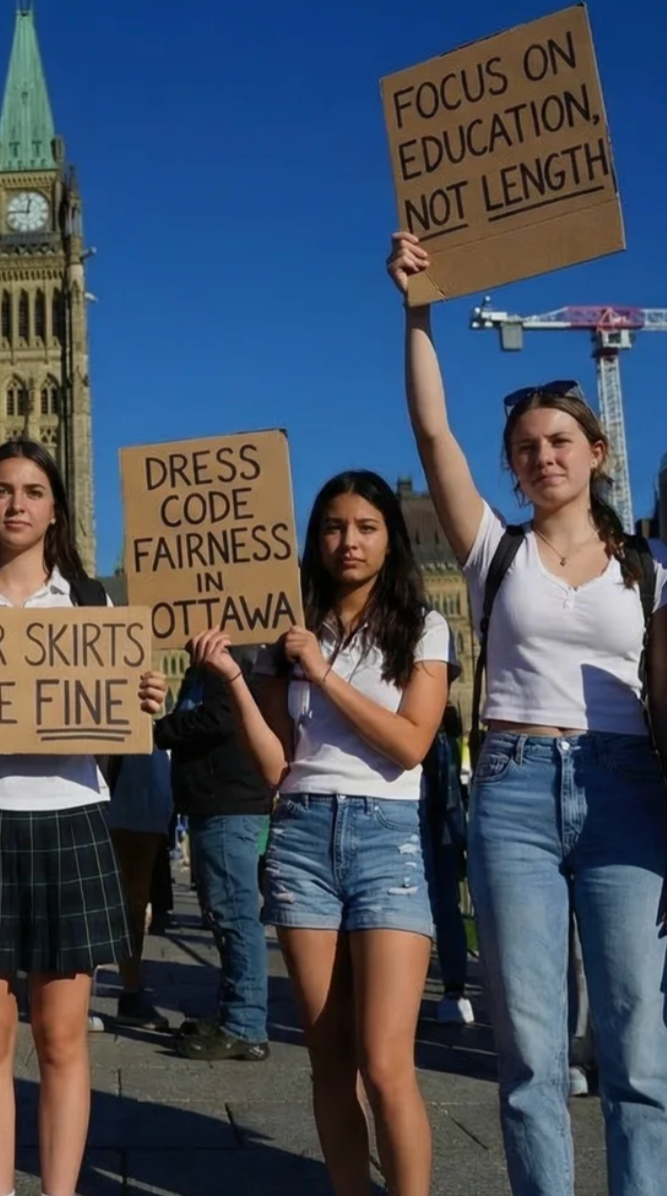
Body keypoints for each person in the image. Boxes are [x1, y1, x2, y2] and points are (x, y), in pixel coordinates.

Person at [391, 230, 667, 1196]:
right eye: (526, 449)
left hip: (629, 793)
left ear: (597, 452)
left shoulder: (657, 570)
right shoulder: (495, 554)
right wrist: (417, 309)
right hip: (516, 792)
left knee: (636, 1043)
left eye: (560, 441)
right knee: (529, 1047)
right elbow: (433, 435)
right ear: (513, 470)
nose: (543, 457)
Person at [0, 438, 166, 1196]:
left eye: (33, 490)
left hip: (69, 817)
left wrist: (142, 700)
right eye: (2, 490)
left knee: (58, 1036)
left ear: (56, 508)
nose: (17, 504)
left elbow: (120, 721)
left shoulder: (92, 606)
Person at [215, 468, 452, 1196]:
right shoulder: (289, 633)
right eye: (333, 527)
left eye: (365, 527)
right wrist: (235, 679)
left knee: (385, 1064)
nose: (348, 541)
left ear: (390, 539)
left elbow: (411, 743)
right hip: (301, 834)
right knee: (329, 1060)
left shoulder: (422, 625)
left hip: (386, 835)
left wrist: (321, 674)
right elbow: (278, 767)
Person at [159, 646, 275, 1063]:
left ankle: (246, 1025)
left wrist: (160, 728)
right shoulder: (206, 663)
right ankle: (234, 1013)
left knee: (236, 916)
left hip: (229, 802)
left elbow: (220, 718)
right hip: (215, 802)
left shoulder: (234, 657)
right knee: (225, 914)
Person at [107, 750, 177, 1031]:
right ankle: (130, 991)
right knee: (131, 900)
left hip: (136, 791)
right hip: (127, 788)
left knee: (133, 901)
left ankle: (130, 990)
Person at [420, 702, 474, 1026]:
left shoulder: (439, 744)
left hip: (433, 828)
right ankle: (454, 990)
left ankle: (453, 989)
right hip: (444, 832)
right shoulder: (446, 742)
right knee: (446, 908)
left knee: (440, 908)